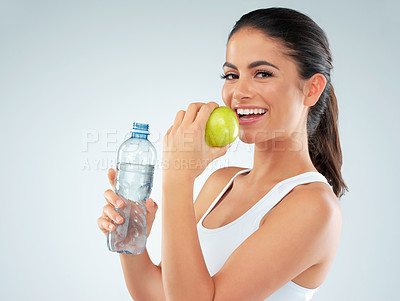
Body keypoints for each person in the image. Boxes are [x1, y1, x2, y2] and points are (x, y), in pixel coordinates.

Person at [97, 7, 348, 301]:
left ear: (311, 89)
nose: (238, 91)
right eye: (231, 75)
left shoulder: (314, 207)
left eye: (262, 73)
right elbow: (160, 295)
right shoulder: (220, 183)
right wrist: (129, 236)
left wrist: (178, 178)